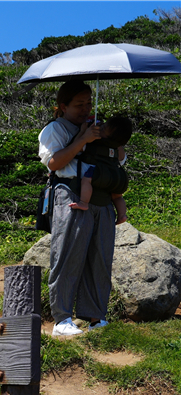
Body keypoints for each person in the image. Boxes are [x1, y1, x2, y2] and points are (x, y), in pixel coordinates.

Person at [38, 81, 124, 337]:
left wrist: (111, 136)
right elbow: (54, 163)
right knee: (67, 256)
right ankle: (62, 319)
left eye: (88, 102)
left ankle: (96, 317)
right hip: (70, 193)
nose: (85, 108)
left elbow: (119, 158)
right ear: (63, 106)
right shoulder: (55, 129)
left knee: (100, 258)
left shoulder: (99, 127)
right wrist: (83, 139)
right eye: (79, 104)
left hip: (102, 196)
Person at [69, 115, 132, 225]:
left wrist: (83, 132)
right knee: (117, 196)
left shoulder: (94, 143)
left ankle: (83, 202)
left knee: (86, 180)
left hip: (99, 174)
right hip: (118, 176)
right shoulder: (117, 147)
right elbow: (122, 159)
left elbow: (77, 146)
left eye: (102, 128)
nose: (100, 126)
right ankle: (122, 214)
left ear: (107, 137)